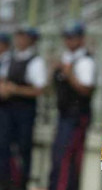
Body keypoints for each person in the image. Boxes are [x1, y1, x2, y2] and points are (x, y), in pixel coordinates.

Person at [48, 22, 96, 190]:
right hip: (64, 114)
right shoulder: (66, 59)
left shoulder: (85, 61)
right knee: (58, 156)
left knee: (68, 158)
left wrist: (69, 75)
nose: (68, 41)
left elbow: (86, 89)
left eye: (72, 37)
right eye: (66, 38)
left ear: (81, 39)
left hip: (76, 116)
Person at [0, 27, 46, 190]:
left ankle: (19, 184)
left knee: (22, 149)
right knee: (4, 149)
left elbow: (39, 89)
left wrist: (15, 90)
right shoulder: (9, 59)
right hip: (7, 113)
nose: (19, 40)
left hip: (24, 113)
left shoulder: (35, 61)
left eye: (23, 36)